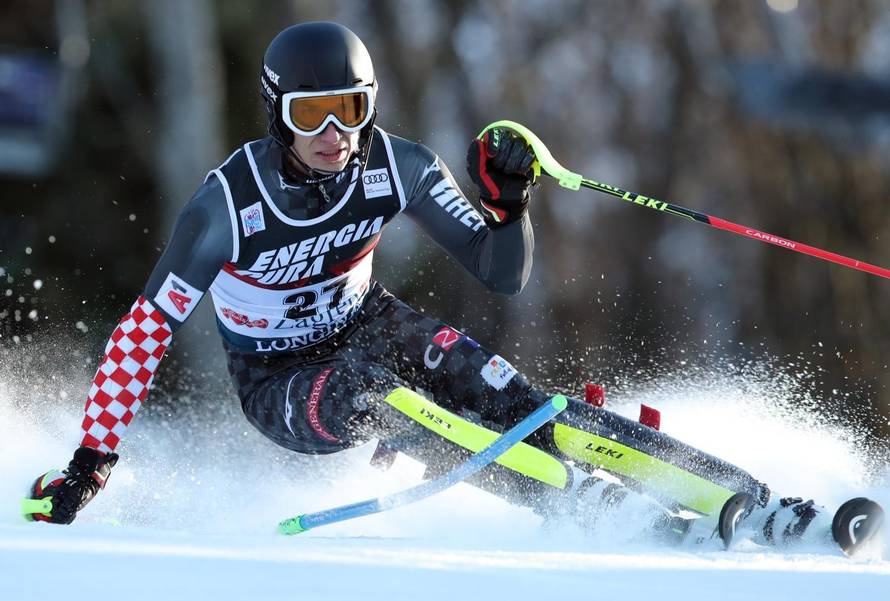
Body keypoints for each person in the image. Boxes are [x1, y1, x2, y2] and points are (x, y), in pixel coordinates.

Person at [24, 22, 822, 545]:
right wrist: (93, 460)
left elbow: (498, 273)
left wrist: (511, 206)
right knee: (381, 394)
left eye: (352, 110)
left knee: (516, 398)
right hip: (279, 380)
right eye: (313, 116)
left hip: (367, 320)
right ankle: (593, 505)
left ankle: (751, 497)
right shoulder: (227, 206)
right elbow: (143, 331)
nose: (335, 136)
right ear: (279, 115)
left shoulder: (396, 166)